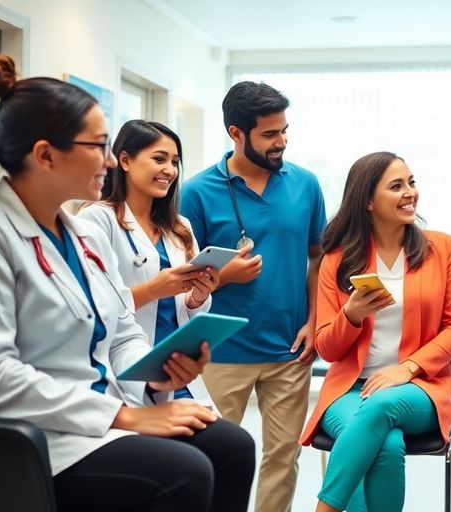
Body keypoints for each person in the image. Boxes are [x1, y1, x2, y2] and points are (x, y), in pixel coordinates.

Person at [0, 55, 255, 511]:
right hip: (13, 436)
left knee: (231, 446)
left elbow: (121, 333)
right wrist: (127, 416)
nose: (108, 161)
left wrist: (160, 375)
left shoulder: (80, 236)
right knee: (184, 471)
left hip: (91, 418)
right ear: (45, 155)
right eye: (97, 146)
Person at [180, 80, 326, 512]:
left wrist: (315, 321)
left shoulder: (306, 184)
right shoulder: (197, 192)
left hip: (288, 350)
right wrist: (224, 277)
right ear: (235, 133)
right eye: (269, 134)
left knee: (283, 457)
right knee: (214, 459)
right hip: (220, 352)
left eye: (284, 131)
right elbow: (183, 277)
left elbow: (317, 258)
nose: (280, 141)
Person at [299, 151, 451, 512]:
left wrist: (407, 369)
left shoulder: (443, 249)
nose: (410, 192)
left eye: (411, 182)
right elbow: (327, 348)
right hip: (350, 388)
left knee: (382, 406)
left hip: (421, 386)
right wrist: (352, 314)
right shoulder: (337, 260)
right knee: (387, 445)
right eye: (396, 186)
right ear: (368, 202)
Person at [79, 119, 220, 408]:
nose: (170, 170)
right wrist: (153, 290)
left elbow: (182, 312)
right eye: (159, 159)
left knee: (228, 444)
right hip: (127, 377)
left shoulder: (180, 227)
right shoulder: (96, 219)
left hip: (178, 372)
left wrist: (197, 297)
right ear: (126, 160)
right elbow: (93, 309)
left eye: (175, 161)